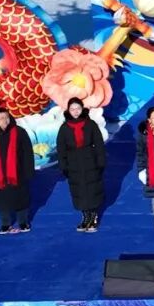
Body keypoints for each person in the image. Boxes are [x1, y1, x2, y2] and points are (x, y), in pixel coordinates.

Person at [0, 107, 35, 234]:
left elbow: (28, 153)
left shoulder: (19, 132)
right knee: (1, 201)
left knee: (21, 199)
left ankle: (23, 222)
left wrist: (29, 171)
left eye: (6, 117)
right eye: (0, 118)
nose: (4, 120)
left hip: (18, 173)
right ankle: (5, 224)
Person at [56, 97, 106, 232]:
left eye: (78, 108)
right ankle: (85, 217)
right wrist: (63, 166)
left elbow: (99, 144)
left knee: (92, 190)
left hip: (90, 162)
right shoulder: (64, 128)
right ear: (68, 111)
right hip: (74, 165)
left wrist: (101, 162)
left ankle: (93, 216)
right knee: (79, 191)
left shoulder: (91, 125)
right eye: (72, 109)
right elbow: (61, 149)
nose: (75, 111)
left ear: (82, 109)